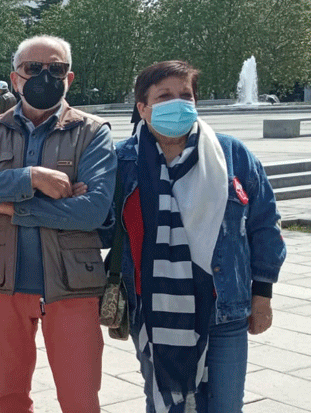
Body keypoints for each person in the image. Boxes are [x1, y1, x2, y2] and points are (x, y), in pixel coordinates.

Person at [106, 60, 285, 413]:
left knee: (225, 405)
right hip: (155, 310)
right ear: (142, 108)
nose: (178, 103)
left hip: (225, 307)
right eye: (164, 96)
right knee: (165, 403)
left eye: (185, 95)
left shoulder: (232, 155)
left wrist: (262, 295)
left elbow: (264, 224)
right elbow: (102, 227)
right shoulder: (121, 162)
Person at [0, 35, 116, 412]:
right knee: (9, 398)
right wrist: (32, 178)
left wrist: (12, 205)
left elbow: (92, 210)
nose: (45, 76)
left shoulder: (92, 132)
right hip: (4, 285)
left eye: (55, 69)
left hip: (72, 286)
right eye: (33, 68)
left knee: (80, 399)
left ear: (69, 78)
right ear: (16, 76)